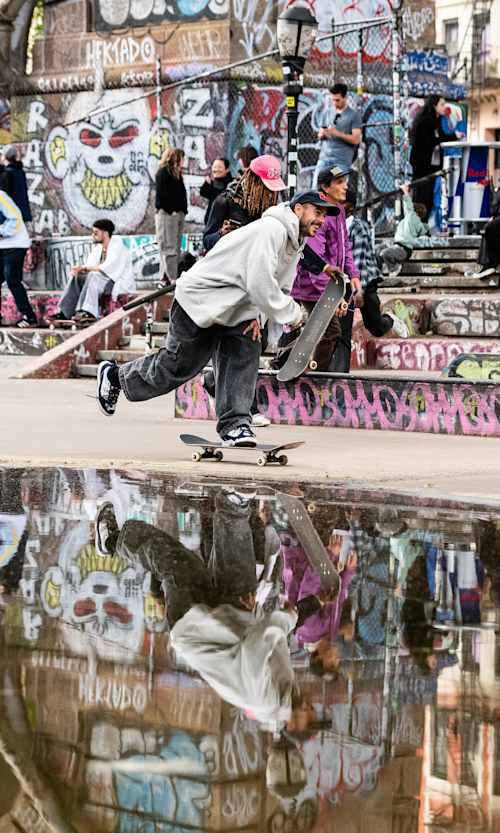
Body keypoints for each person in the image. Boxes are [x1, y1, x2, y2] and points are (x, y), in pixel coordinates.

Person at [95, 191, 338, 447]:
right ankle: (115, 377)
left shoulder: (294, 242)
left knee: (245, 353)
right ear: (298, 209)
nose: (321, 220)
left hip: (235, 309)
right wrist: (294, 314)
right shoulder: (272, 230)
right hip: (200, 302)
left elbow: (279, 286)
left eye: (324, 215)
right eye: (317, 212)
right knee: (178, 366)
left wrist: (260, 315)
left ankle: (235, 425)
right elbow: (260, 282)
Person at [291, 165, 361, 371]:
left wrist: (353, 274)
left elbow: (344, 246)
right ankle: (313, 374)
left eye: (345, 182)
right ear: (325, 187)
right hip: (312, 287)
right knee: (328, 332)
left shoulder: (338, 210)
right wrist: (332, 295)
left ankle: (308, 369)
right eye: (339, 183)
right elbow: (315, 258)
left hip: (329, 284)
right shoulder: (319, 213)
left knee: (324, 332)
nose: (345, 187)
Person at [331, 192, 407, 371]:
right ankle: (339, 374)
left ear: (348, 207)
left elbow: (357, 262)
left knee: (375, 327)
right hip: (344, 283)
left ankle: (389, 320)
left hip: (364, 283)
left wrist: (358, 289)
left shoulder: (358, 228)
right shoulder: (333, 226)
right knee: (342, 330)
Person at [50, 219, 135, 325]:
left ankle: (88, 312)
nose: (93, 235)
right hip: (100, 282)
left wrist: (85, 269)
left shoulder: (118, 247)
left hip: (116, 283)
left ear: (105, 233)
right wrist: (80, 270)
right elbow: (89, 266)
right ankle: (65, 311)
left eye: (96, 233)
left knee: (93, 276)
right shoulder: (98, 248)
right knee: (78, 276)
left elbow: (108, 268)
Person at [202, 154, 284, 252]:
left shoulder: (270, 206)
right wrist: (221, 234)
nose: (271, 193)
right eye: (267, 187)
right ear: (254, 182)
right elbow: (206, 241)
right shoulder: (225, 201)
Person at [409, 95, 461, 219]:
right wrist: (441, 139)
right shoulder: (425, 121)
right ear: (434, 106)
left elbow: (442, 136)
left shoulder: (437, 121)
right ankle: (418, 226)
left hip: (432, 166)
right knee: (422, 197)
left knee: (429, 198)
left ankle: (423, 226)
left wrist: (454, 135)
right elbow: (431, 141)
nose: (444, 107)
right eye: (442, 105)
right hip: (422, 165)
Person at [0, 188, 37, 328]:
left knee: (12, 280)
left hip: (15, 244)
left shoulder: (1, 196)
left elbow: (15, 217)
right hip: (2, 246)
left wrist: (1, 232)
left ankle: (29, 317)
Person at [314, 83, 362, 186]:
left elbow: (356, 139)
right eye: (333, 100)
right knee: (316, 188)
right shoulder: (327, 113)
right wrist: (322, 134)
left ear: (345, 98)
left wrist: (337, 133)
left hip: (340, 162)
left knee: (334, 187)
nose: (335, 103)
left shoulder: (353, 116)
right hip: (324, 159)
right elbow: (320, 133)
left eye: (338, 100)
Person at [376, 184, 429, 277]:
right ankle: (377, 271)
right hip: (396, 245)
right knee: (376, 250)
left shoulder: (413, 218)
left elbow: (408, 206)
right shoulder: (408, 221)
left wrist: (405, 192)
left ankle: (394, 268)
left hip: (403, 249)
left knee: (384, 253)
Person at [154, 147, 187, 285]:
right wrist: (171, 210)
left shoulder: (177, 174)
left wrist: (183, 211)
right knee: (169, 246)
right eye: (182, 158)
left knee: (175, 246)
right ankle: (171, 278)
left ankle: (165, 277)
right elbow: (163, 195)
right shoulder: (163, 173)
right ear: (175, 158)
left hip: (178, 213)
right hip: (168, 214)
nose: (183, 161)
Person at [0, 145, 32, 224]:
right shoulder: (20, 172)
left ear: (5, 157)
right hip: (21, 214)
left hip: (10, 217)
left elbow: (4, 197)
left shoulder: (6, 174)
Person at [199, 157, 232, 222]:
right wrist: (207, 184)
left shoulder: (231, 184)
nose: (216, 169)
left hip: (224, 224)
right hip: (211, 222)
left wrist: (209, 185)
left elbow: (219, 198)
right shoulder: (214, 182)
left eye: (219, 167)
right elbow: (203, 193)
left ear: (227, 169)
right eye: (214, 167)